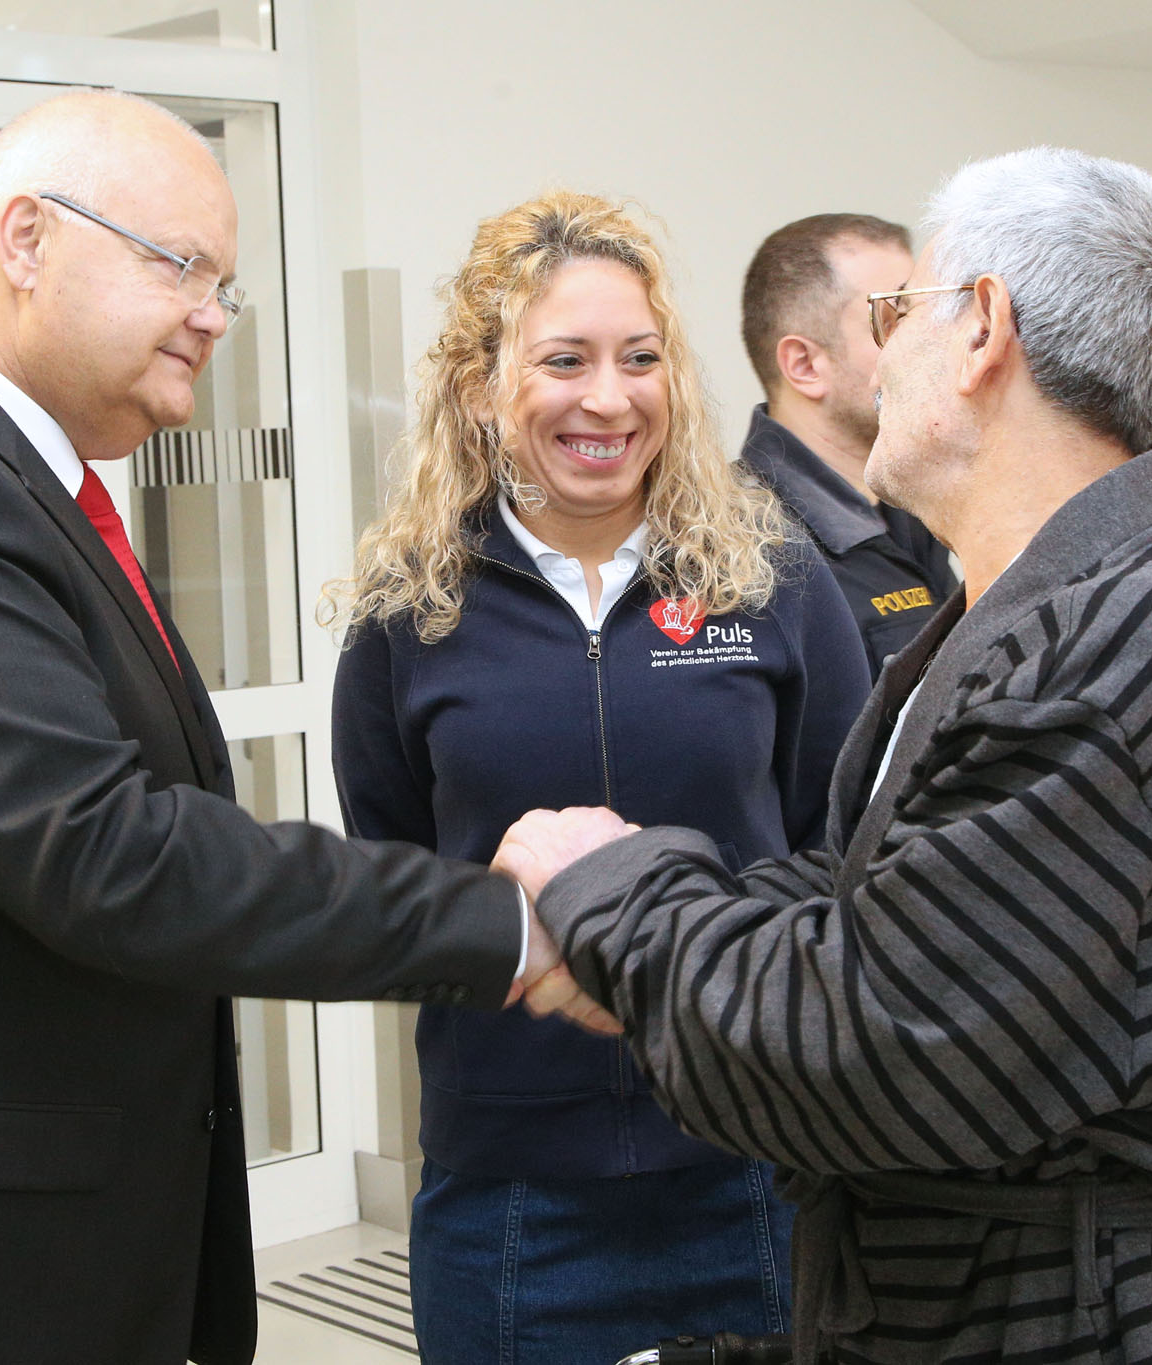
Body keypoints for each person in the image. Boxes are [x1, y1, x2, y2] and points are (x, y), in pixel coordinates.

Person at [0, 90, 608, 1365]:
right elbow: (110, 854)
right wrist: (508, 921)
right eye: (179, 266)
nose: (211, 315)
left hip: (28, 1230)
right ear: (25, 241)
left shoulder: (17, 484)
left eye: (224, 284)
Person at [506, 149, 1152, 1363]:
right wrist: (639, 934)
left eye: (898, 316)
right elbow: (878, 910)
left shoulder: (1098, 652)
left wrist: (608, 886)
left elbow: (881, 1054)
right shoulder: (1046, 609)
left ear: (979, 332)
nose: (880, 356)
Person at [326, 191, 871, 1365]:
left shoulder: (768, 575)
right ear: (481, 386)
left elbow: (844, 841)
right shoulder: (408, 611)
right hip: (511, 1195)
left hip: (752, 1172)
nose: (608, 399)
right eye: (562, 360)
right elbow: (401, 875)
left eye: (639, 359)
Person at [739, 213, 957, 679]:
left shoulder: (921, 507)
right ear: (805, 366)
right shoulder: (744, 549)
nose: (924, 345)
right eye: (889, 320)